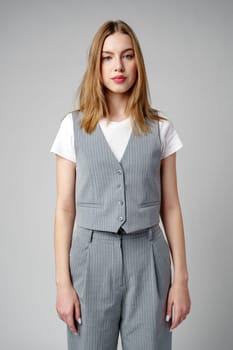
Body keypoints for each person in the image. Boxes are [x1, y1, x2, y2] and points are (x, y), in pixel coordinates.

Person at [50, 19, 191, 350]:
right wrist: (62, 283)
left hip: (149, 258)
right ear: (96, 66)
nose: (118, 66)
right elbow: (64, 208)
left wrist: (181, 279)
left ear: (137, 62)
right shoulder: (72, 128)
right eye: (108, 57)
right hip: (90, 258)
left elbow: (170, 206)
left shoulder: (161, 128)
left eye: (127, 56)